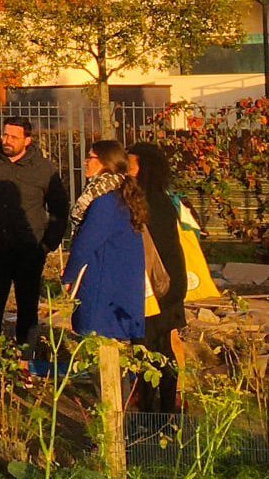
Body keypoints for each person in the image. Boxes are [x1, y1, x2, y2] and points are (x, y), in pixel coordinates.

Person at [0, 117, 70, 347]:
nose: (7, 141)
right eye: (5, 135)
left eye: (14, 137)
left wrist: (47, 244)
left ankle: (25, 363)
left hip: (28, 251)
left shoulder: (43, 169)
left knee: (27, 310)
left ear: (27, 140)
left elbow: (60, 209)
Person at [61, 140, 147, 341]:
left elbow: (86, 244)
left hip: (104, 284)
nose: (85, 162)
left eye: (89, 157)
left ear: (103, 163)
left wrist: (69, 276)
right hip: (121, 284)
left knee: (100, 343)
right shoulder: (122, 195)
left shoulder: (105, 201)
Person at [128, 140, 187, 413]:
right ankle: (166, 409)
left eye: (130, 164)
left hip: (154, 289)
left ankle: (150, 414)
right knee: (164, 348)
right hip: (171, 286)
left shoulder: (142, 204)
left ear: (142, 168)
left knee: (147, 350)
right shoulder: (164, 200)